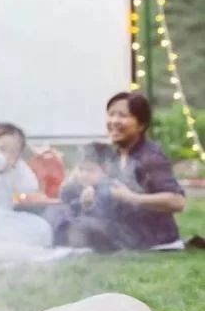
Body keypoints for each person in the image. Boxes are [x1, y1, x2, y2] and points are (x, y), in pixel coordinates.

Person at [60, 93, 186, 251]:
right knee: (62, 218)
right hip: (123, 230)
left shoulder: (150, 158)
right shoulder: (115, 155)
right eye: (111, 114)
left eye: (122, 116)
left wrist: (133, 198)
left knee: (81, 228)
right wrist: (90, 195)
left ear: (141, 125)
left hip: (151, 236)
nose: (114, 121)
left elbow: (178, 201)